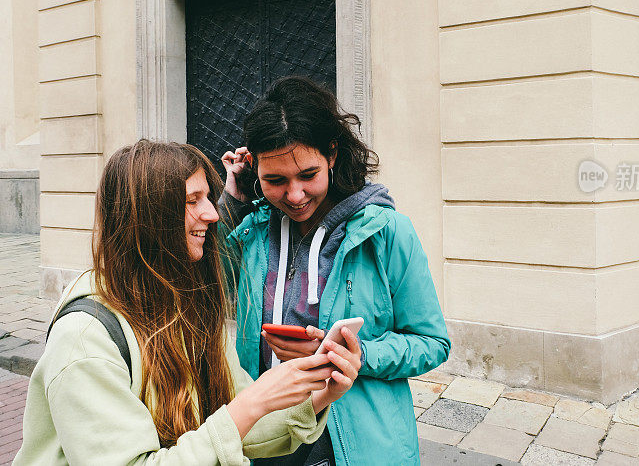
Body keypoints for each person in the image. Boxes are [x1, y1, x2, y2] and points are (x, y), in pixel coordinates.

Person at [14, 140, 360, 465]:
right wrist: (252, 403)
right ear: (148, 217)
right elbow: (232, 421)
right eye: (193, 201)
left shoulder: (192, 307)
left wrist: (317, 398)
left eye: (209, 198)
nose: (212, 214)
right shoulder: (85, 338)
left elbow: (234, 431)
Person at [219, 76, 451, 466]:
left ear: (332, 154)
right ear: (255, 168)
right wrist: (234, 203)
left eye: (308, 175)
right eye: (275, 180)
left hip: (352, 444)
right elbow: (214, 288)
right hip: (263, 436)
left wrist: (356, 356)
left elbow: (431, 342)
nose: (294, 195)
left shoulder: (386, 232)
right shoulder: (254, 228)